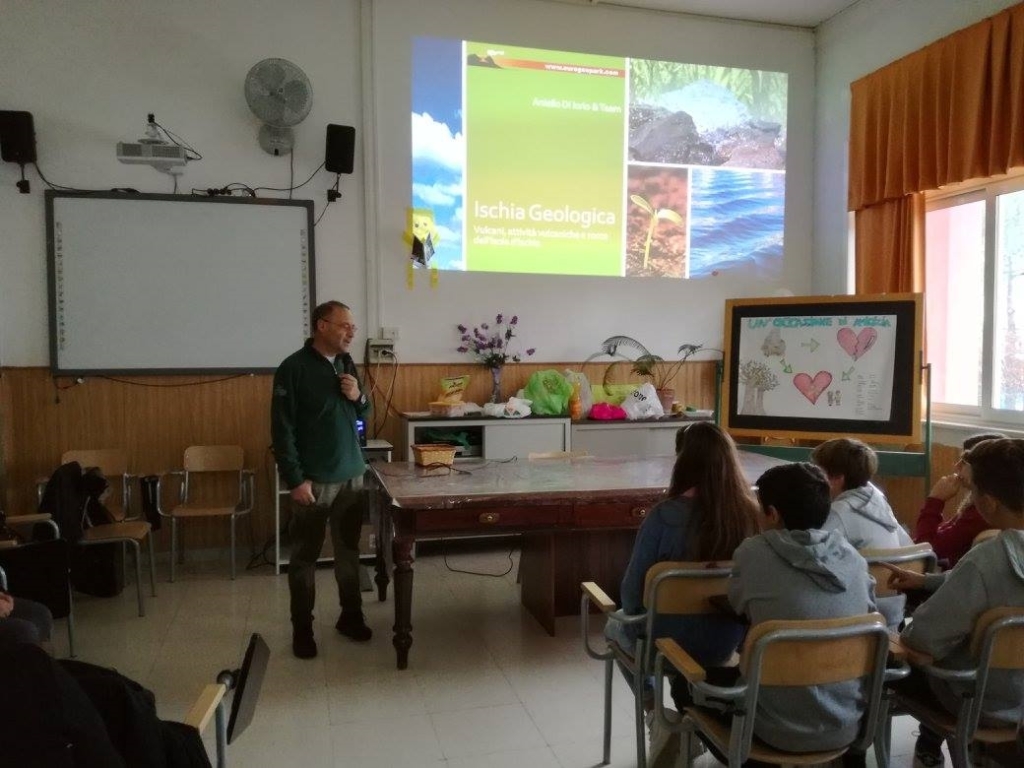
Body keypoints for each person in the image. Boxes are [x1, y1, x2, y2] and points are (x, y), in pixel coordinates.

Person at [670, 462, 878, 768]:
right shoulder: (854, 560)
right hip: (848, 726)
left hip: (773, 732)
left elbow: (739, 603)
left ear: (773, 514)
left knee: (681, 682)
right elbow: (870, 611)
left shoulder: (754, 552)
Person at [609, 421, 759, 766]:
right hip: (730, 641)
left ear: (683, 461)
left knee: (615, 626)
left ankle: (656, 716)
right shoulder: (752, 514)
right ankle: (699, 715)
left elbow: (633, 597)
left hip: (664, 643)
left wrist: (632, 617)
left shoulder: (664, 516)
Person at [883, 438, 1024, 768]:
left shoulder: (986, 559)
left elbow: (922, 640)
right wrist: (931, 582)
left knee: (888, 667)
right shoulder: (985, 564)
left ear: (987, 502)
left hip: (982, 700)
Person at [272, 300, 373, 659]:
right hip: (314, 481)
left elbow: (365, 411)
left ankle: (351, 617)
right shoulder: (292, 369)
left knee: (349, 553)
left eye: (353, 327)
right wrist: (296, 480)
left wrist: (357, 395)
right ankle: (302, 630)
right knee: (305, 559)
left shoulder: (347, 365)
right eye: (345, 325)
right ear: (322, 326)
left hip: (352, 475)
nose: (351, 332)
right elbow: (281, 431)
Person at [811, 437, 911, 628]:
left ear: (837, 479)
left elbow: (813, 560)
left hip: (857, 615)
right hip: (894, 611)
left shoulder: (838, 513)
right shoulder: (880, 503)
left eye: (818, 473)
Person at [913, 433, 1004, 568]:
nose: (957, 466)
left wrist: (935, 500)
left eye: (963, 462)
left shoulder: (981, 513)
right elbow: (943, 535)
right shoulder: (980, 501)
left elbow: (925, 547)